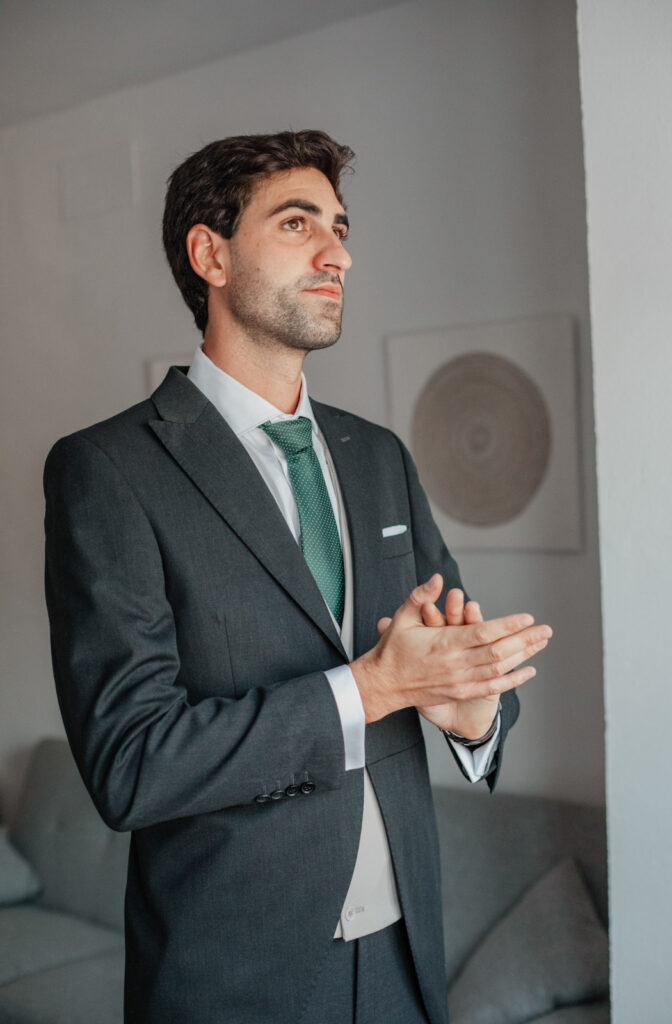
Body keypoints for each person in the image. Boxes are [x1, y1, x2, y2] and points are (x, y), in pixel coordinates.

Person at [43, 130, 552, 1024]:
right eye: (296, 223)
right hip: (236, 971)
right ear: (211, 254)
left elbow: (447, 661)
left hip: (405, 959)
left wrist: (474, 715)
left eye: (341, 226)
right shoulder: (108, 470)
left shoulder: (379, 456)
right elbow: (130, 765)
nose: (338, 252)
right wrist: (366, 689)